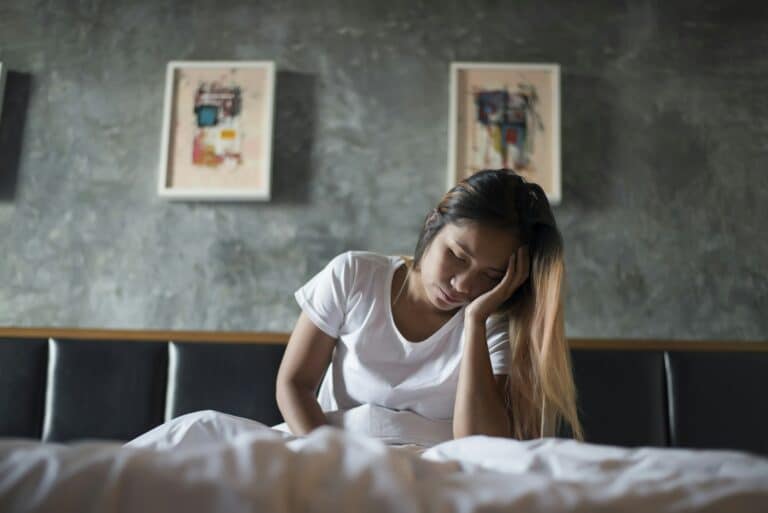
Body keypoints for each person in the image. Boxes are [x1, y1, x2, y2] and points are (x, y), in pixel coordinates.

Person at [276, 169, 584, 441]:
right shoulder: (354, 275)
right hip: (331, 450)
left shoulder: (495, 324)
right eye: (458, 256)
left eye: (491, 276)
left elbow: (480, 446)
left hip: (430, 474)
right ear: (432, 223)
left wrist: (475, 321)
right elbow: (294, 384)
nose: (464, 285)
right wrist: (330, 461)